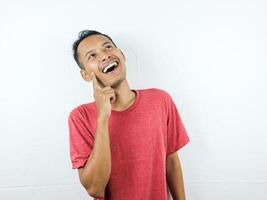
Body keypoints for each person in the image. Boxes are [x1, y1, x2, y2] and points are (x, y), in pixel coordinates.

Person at [68, 30, 190, 200]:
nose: (104, 56)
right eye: (92, 56)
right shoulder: (80, 117)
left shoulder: (160, 100)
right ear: (86, 75)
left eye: (108, 47)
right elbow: (95, 188)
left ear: (122, 55)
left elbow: (171, 162)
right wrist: (102, 118)